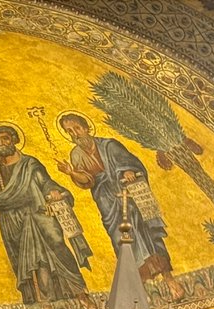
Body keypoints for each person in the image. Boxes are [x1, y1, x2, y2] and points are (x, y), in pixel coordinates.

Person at [57, 112, 182, 299]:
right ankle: (139, 284)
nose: (74, 134)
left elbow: (131, 163)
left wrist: (128, 170)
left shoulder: (110, 145)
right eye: (69, 131)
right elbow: (88, 181)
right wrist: (71, 173)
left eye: (76, 128)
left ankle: (168, 278)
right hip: (107, 202)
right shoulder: (76, 154)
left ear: (86, 127)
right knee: (121, 240)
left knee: (144, 232)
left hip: (128, 195)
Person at [0, 124, 91, 306]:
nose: (1, 143)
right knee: (29, 264)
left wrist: (54, 192)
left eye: (5, 138)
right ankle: (44, 306)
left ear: (15, 141)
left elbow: (46, 183)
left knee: (57, 249)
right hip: (12, 222)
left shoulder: (30, 164)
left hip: (38, 217)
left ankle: (81, 295)